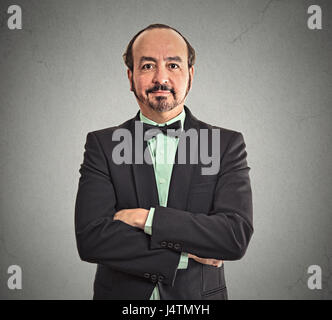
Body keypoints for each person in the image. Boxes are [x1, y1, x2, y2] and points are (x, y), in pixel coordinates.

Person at [74, 23, 253, 300]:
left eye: (173, 65)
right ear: (130, 76)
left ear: (190, 75)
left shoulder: (225, 145)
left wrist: (145, 218)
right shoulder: (102, 145)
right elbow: (92, 239)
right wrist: (188, 250)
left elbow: (234, 237)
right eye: (147, 66)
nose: (161, 78)